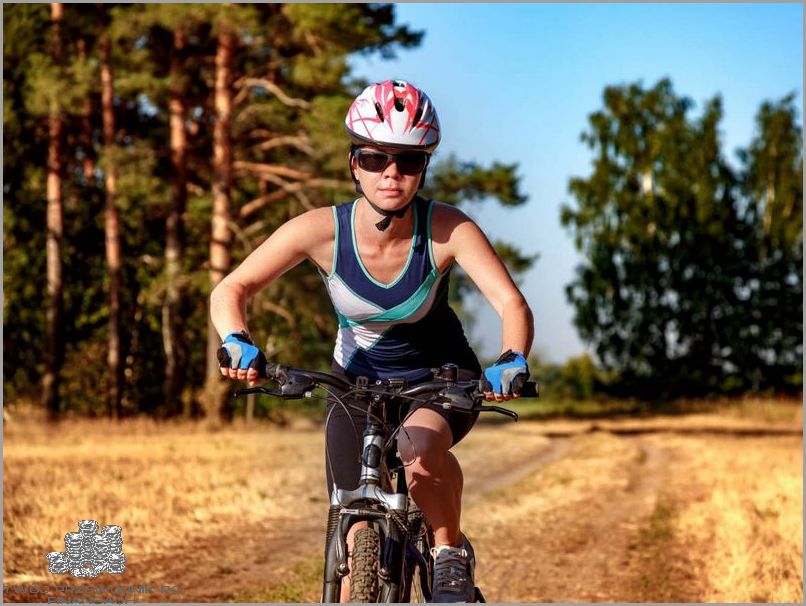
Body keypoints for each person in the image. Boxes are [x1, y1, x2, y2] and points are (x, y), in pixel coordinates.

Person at [210, 79, 534, 602]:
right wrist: (237, 339)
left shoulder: (448, 228)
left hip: (439, 380)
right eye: (376, 158)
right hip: (353, 385)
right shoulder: (321, 230)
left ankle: (449, 554)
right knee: (351, 534)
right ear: (353, 163)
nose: (392, 174)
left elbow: (510, 303)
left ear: (423, 167)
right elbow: (232, 288)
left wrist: (512, 359)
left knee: (417, 449)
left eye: (408, 162)